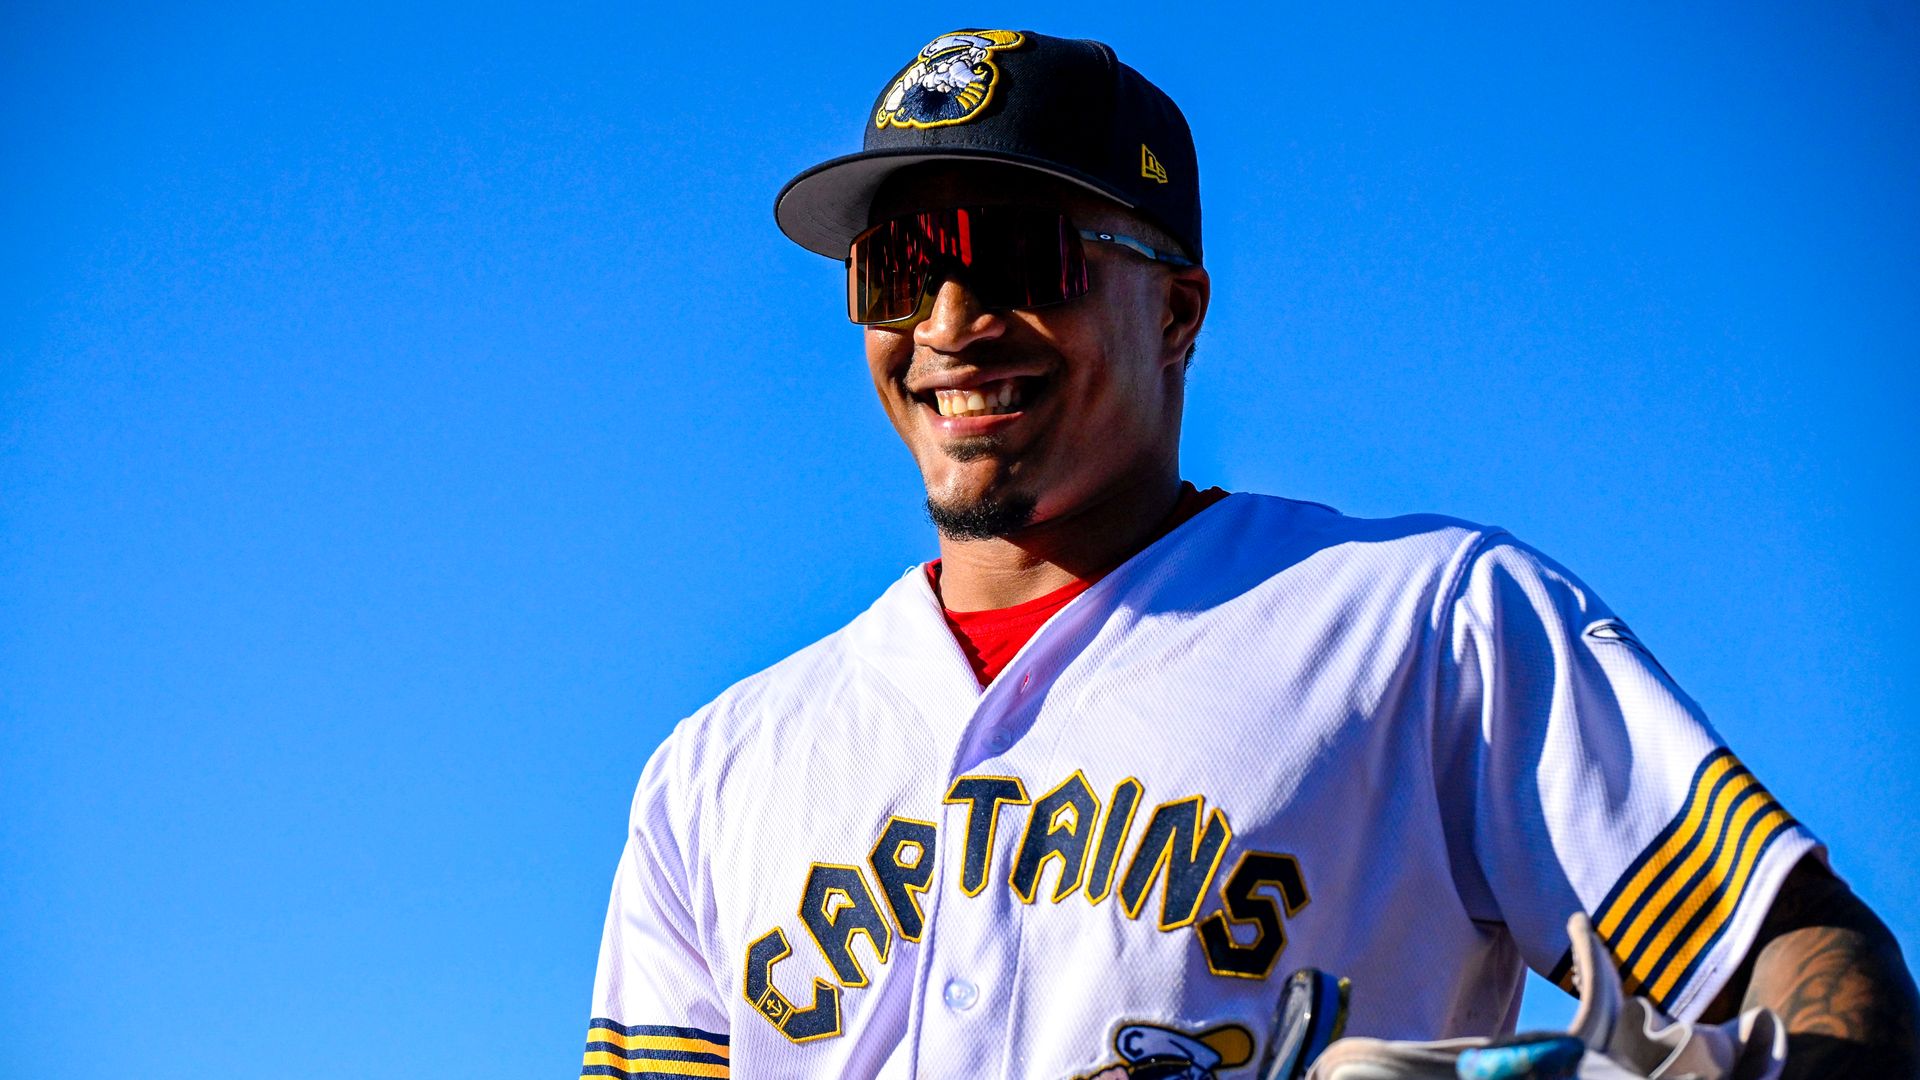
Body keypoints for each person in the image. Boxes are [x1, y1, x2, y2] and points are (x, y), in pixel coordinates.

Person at [582, 29, 1918, 1080]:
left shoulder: (1427, 626)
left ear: (1175, 312)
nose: (949, 322)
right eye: (898, 268)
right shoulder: (717, 772)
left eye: (1017, 258)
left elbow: (1794, 947)